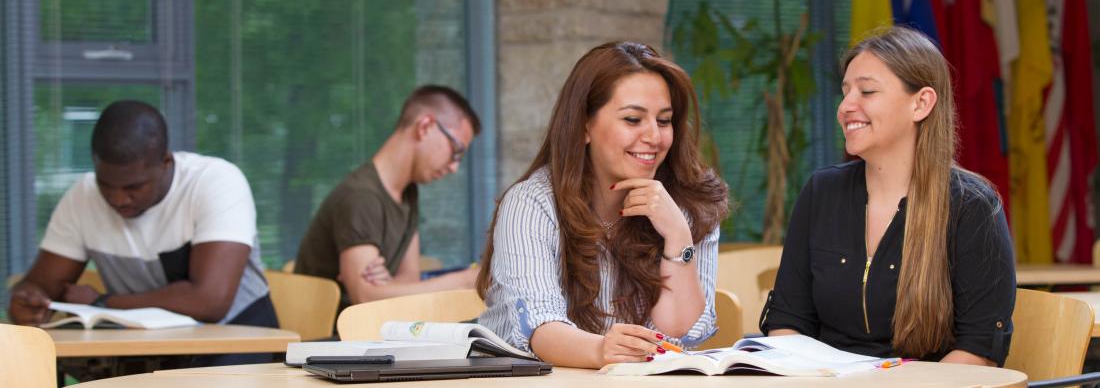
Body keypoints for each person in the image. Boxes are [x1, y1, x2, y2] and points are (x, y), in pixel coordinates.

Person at [761, 26, 1015, 366]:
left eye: (867, 91)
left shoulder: (973, 206)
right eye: (845, 91)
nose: (846, 106)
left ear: (921, 103)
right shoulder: (821, 192)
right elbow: (787, 323)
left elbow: (978, 351)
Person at [476, 41, 729, 369]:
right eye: (633, 119)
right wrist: (602, 350)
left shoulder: (690, 204)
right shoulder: (532, 204)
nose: (654, 136)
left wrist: (678, 237)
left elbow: (678, 330)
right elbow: (539, 328)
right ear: (585, 126)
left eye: (664, 121)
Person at [9, 100, 276, 365]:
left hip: (237, 340)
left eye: (133, 187)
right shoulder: (83, 197)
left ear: (165, 162)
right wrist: (27, 304)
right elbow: (40, 287)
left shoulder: (216, 182)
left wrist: (103, 302)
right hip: (144, 348)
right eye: (106, 184)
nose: (118, 199)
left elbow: (209, 302)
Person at [295, 85, 481, 309]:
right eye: (456, 150)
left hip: (375, 331)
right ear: (425, 126)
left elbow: (409, 278)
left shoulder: (408, 192)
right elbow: (365, 299)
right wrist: (464, 281)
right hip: (332, 337)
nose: (454, 167)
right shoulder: (361, 197)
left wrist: (388, 286)